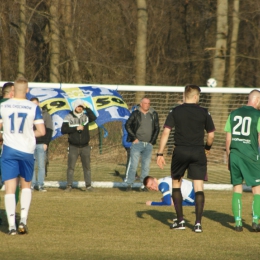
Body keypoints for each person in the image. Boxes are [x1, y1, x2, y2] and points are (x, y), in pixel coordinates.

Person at [157, 84, 215, 233]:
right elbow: (211, 135)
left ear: (185, 96)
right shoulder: (204, 112)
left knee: (176, 184)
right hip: (198, 152)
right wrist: (207, 148)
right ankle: (197, 224)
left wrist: (160, 153)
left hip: (180, 151)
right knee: (198, 187)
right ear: (196, 97)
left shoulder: (175, 111)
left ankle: (181, 221)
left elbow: (165, 133)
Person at [0, 77, 45, 235]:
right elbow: (41, 131)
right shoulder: (33, 107)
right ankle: (23, 220)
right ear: (27, 90)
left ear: (13, 91)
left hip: (9, 150)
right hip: (26, 150)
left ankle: (11, 226)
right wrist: (28, 133)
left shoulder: (3, 106)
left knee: (10, 188)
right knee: (26, 185)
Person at [224, 89, 260, 232]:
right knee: (257, 189)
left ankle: (238, 223)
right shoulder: (258, 115)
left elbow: (228, 139)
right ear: (257, 100)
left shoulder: (233, 114)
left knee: (237, 188)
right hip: (251, 155)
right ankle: (256, 221)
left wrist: (229, 157)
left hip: (234, 155)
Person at [61, 99, 97, 192]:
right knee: (71, 167)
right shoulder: (68, 117)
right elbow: (63, 129)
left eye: (81, 107)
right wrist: (75, 128)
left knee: (87, 167)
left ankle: (88, 186)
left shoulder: (86, 116)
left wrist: (87, 108)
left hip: (85, 146)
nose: (80, 108)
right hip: (73, 146)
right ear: (74, 107)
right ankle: (69, 185)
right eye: (78, 106)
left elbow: (94, 117)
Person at [125, 97, 160, 191]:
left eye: (149, 103)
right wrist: (133, 138)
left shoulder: (153, 114)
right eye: (145, 103)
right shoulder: (135, 113)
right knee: (134, 165)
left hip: (148, 145)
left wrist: (152, 141)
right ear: (141, 104)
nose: (147, 105)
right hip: (137, 144)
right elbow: (127, 125)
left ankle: (143, 185)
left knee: (146, 166)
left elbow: (157, 128)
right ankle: (129, 184)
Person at [30, 97, 53, 192]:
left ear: (39, 103)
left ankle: (40, 184)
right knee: (31, 165)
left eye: (35, 103)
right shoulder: (28, 114)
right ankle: (31, 184)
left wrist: (46, 143)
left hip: (41, 144)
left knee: (41, 165)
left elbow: (50, 130)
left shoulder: (45, 115)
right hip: (30, 143)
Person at [121, 105, 139, 180]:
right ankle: (127, 176)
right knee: (131, 159)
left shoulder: (128, 117)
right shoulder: (131, 119)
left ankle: (134, 174)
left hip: (128, 141)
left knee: (134, 159)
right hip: (129, 142)